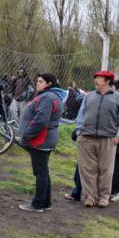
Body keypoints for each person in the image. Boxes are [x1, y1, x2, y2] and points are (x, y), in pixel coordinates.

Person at [75, 70, 119, 208]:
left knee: (105, 169)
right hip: (86, 137)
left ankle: (104, 197)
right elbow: (81, 115)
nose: (96, 80)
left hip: (108, 139)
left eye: (98, 78)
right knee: (87, 169)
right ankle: (90, 197)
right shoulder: (89, 97)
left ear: (107, 81)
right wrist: (79, 132)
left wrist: (118, 136)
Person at [17, 73, 68, 212]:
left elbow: (41, 120)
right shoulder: (52, 96)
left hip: (41, 139)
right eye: (37, 81)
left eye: (40, 81)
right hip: (45, 138)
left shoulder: (46, 97)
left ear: (49, 83)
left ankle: (38, 204)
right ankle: (46, 202)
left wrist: (26, 135)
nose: (37, 84)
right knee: (43, 171)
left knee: (41, 172)